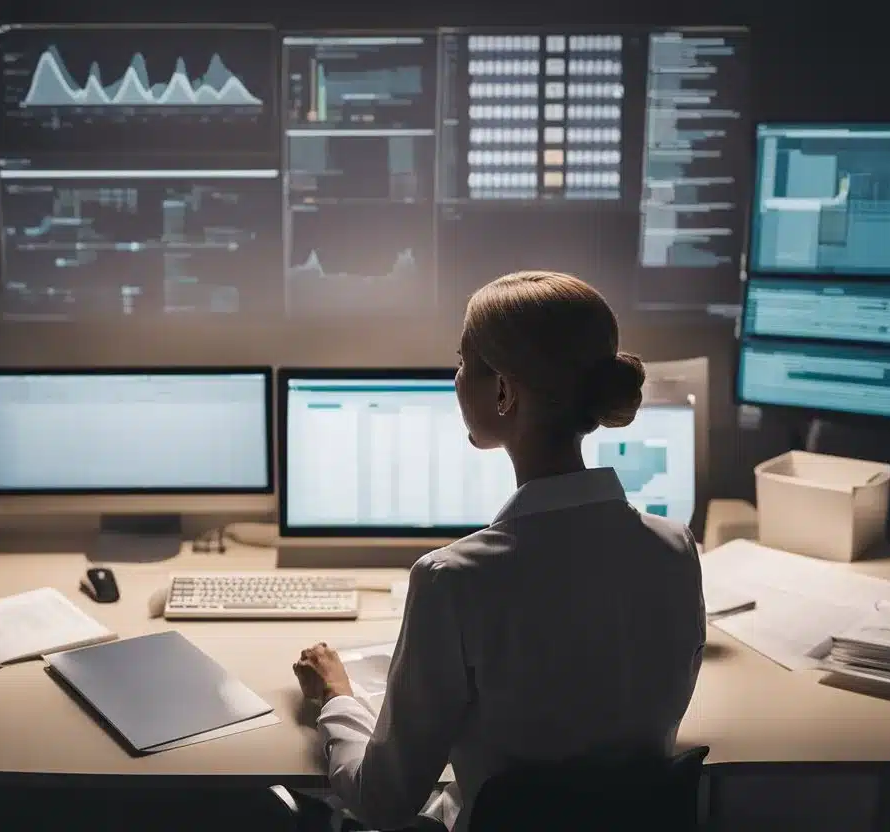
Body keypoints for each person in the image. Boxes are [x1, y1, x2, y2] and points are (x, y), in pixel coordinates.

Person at [293, 271, 705, 832]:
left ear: (505, 392)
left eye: (464, 361)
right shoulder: (675, 548)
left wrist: (336, 699)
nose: (457, 378)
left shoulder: (451, 580)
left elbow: (382, 800)